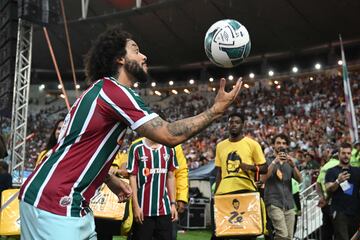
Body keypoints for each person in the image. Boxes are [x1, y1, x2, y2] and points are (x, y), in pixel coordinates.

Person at [18, 26, 242, 239]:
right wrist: (215, 111)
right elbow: (169, 135)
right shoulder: (114, 92)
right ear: (120, 59)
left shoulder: (102, 92)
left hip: (70, 202)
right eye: (136, 50)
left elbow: (80, 148)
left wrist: (109, 178)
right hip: (54, 203)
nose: (144, 56)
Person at [213, 112, 268, 240]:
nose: (233, 125)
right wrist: (216, 194)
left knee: (248, 232)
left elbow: (264, 168)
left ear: (243, 125)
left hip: (246, 191)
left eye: (237, 122)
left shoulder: (252, 144)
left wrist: (249, 167)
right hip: (225, 192)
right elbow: (219, 172)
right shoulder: (220, 146)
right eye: (231, 122)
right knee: (224, 232)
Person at [127, 137, 178, 240]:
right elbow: (132, 177)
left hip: (164, 209)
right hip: (143, 210)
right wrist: (135, 206)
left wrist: (173, 204)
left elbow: (170, 176)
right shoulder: (137, 147)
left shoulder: (169, 148)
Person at [262, 133, 302, 240]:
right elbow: (263, 179)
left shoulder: (290, 161)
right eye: (278, 143)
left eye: (284, 143)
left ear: (287, 146)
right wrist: (275, 161)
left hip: (289, 203)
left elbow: (299, 180)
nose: (281, 145)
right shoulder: (267, 160)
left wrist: (293, 166)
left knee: (289, 236)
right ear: (273, 145)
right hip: (273, 202)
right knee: (282, 235)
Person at [325, 142, 360, 240]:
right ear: (339, 154)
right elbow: (328, 189)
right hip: (339, 212)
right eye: (343, 153)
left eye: (348, 153)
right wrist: (338, 181)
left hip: (356, 212)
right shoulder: (331, 171)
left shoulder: (357, 171)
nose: (346, 156)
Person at [316, 152, 339, 240]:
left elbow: (317, 185)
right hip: (337, 204)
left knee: (326, 229)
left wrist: (322, 197)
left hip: (326, 204)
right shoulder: (340, 166)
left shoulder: (324, 167)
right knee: (339, 231)